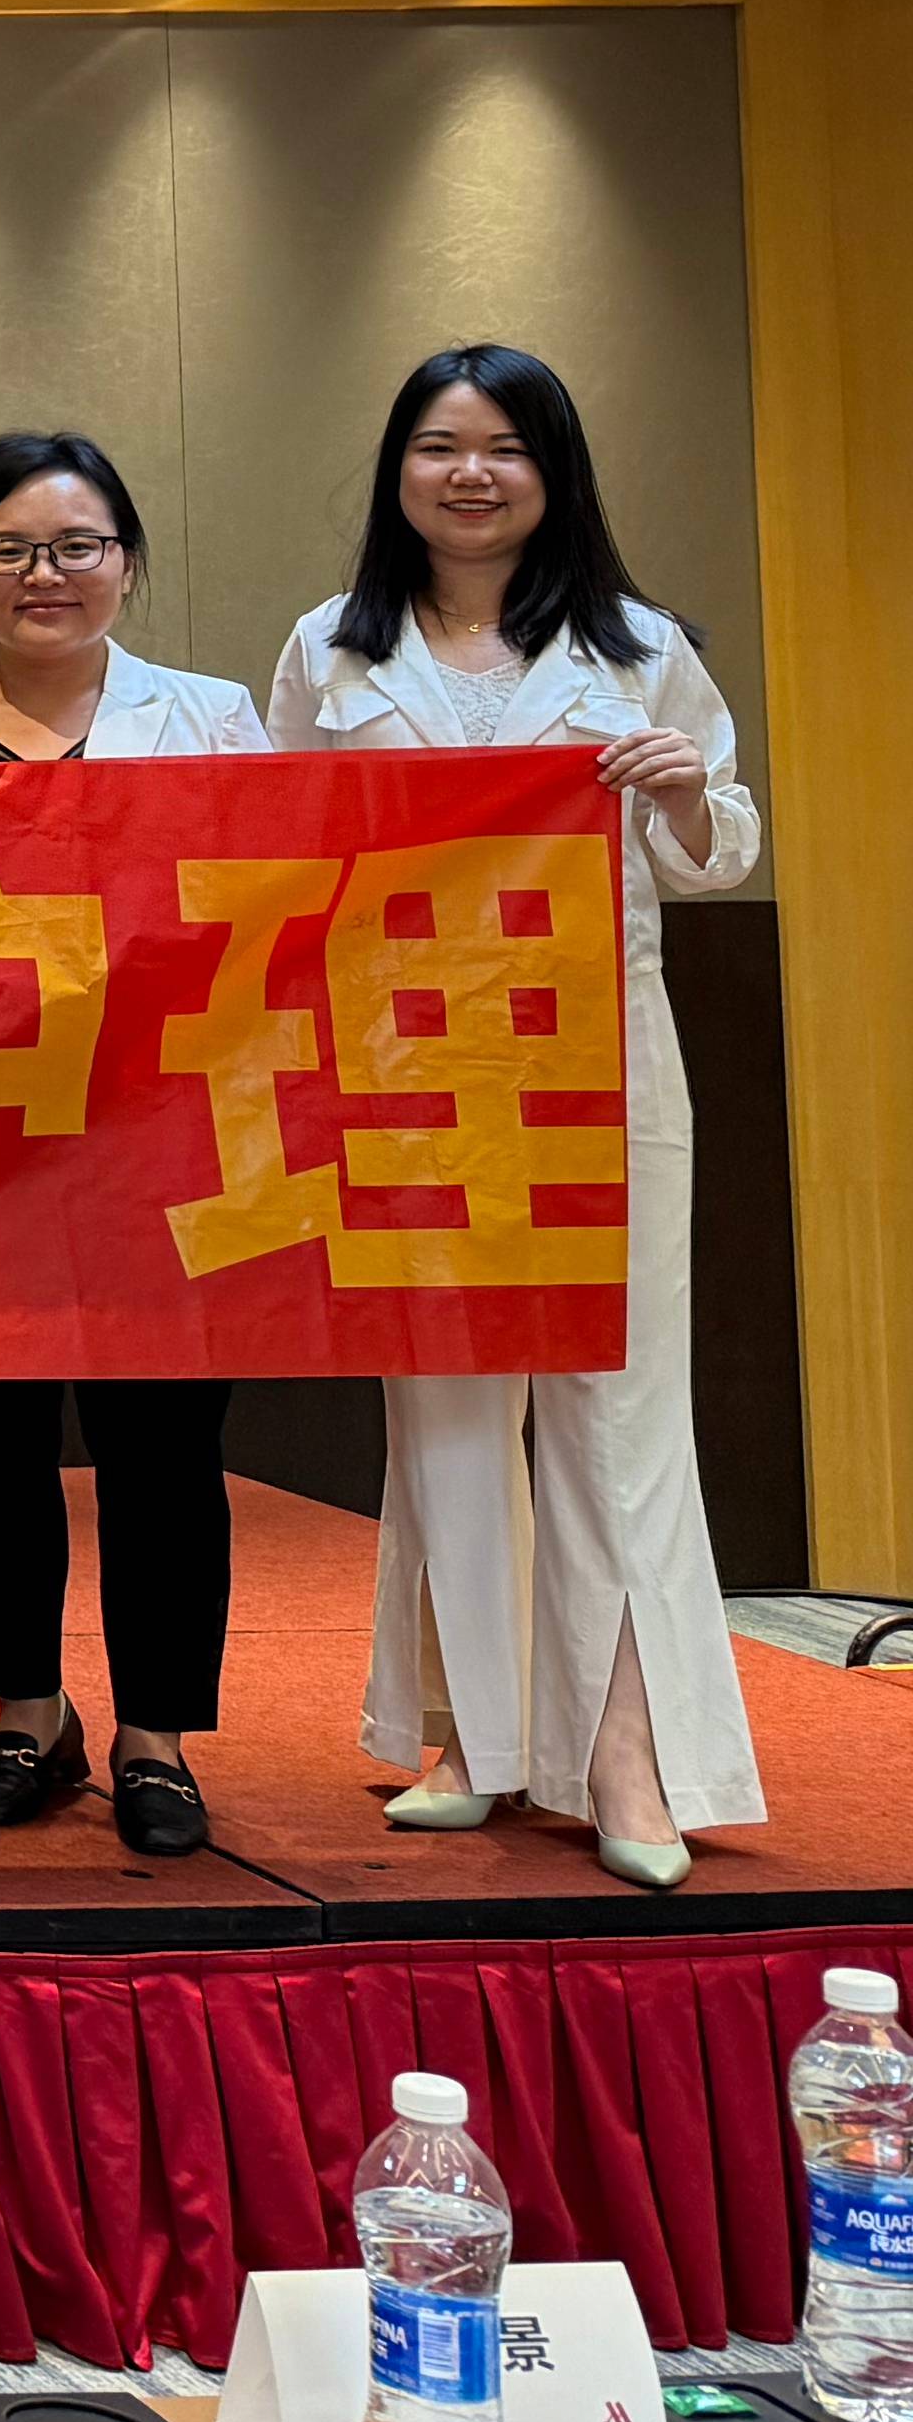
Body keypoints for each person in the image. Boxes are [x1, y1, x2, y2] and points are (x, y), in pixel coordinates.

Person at [272, 344, 765, 1885]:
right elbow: (278, 848)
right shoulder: (330, 650)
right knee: (445, 1412)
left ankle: (623, 1751)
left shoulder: (638, 647)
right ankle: (470, 1739)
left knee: (615, 1409)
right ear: (398, 472)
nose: (470, 474)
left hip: (602, 1063)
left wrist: (680, 791)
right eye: (439, 445)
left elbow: (718, 851)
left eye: (505, 447)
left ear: (554, 471)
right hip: (408, 1068)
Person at [0, 431, 264, 1860]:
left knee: (166, 1447)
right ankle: (25, 1713)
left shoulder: (215, 718)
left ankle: (158, 1733)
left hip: (166, 1141)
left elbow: (274, 906)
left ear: (128, 563)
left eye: (77, 546)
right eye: (9, 549)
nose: (45, 575)